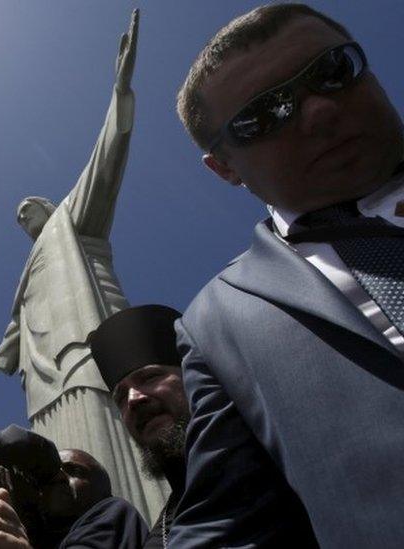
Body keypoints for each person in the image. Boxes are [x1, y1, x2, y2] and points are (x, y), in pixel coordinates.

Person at [172, 3, 404, 546]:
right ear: (224, 167)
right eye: (267, 113)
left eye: (332, 71)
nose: (321, 111)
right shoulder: (217, 320)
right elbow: (227, 526)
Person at [0, 11, 166, 520]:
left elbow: (104, 163)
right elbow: (18, 322)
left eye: (27, 210)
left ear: (47, 207)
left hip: (85, 343)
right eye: (18, 218)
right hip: (41, 370)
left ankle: (144, 520)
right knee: (53, 452)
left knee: (112, 424)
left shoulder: (71, 222)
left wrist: (119, 94)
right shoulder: (33, 263)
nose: (23, 218)